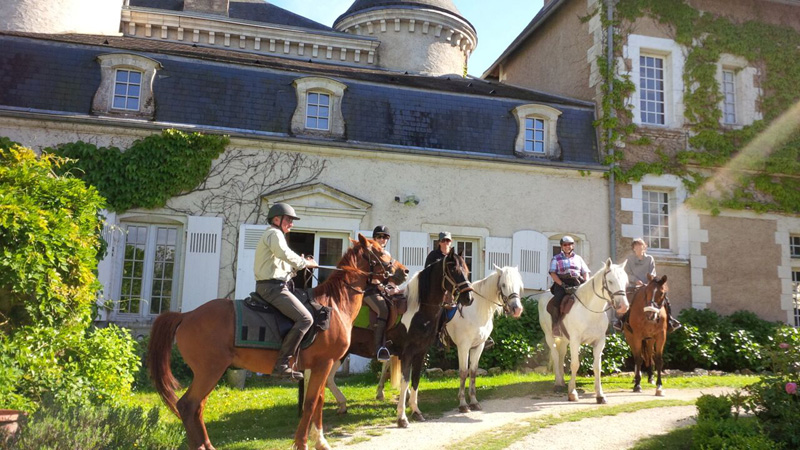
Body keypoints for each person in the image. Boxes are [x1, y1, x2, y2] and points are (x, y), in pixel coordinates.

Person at [254, 202, 318, 379]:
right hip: (272, 288)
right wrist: (306, 263)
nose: (291, 223)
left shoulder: (274, 235)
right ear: (276, 219)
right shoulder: (275, 233)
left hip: (275, 285)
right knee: (305, 319)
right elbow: (284, 253)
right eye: (288, 219)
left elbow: (281, 265)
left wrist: (298, 267)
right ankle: (282, 363)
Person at [618, 238, 681, 332]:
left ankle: (670, 320)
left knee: (664, 297)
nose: (639, 248)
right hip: (634, 285)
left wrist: (650, 282)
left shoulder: (649, 259)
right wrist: (636, 281)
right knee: (627, 299)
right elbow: (627, 273)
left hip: (649, 285)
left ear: (644, 247)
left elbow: (652, 272)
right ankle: (621, 321)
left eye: (640, 246)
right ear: (633, 248)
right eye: (636, 246)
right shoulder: (630, 260)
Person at [548, 236, 591, 337]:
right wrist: (562, 284)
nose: (567, 246)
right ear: (561, 246)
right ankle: (556, 326)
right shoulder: (556, 258)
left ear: (573, 245)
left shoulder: (579, 258)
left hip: (577, 282)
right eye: (565, 245)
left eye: (569, 244)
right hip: (562, 283)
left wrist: (586, 283)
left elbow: (585, 272)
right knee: (557, 301)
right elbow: (553, 273)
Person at [363, 225, 394, 362]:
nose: (382, 240)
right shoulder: (368, 253)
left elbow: (390, 276)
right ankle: (378, 348)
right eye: (379, 237)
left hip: (383, 290)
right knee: (383, 309)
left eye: (385, 237)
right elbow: (368, 276)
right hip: (369, 290)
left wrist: (392, 286)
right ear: (374, 238)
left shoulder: (388, 256)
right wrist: (381, 286)